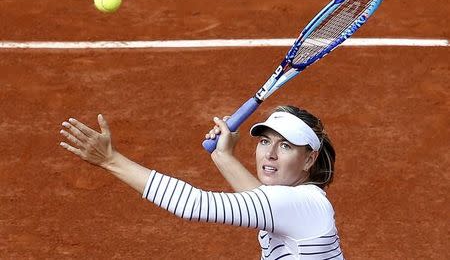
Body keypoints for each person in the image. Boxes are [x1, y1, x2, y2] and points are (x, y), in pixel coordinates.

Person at [59, 105, 344, 260]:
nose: (269, 153)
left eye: (285, 146)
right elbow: (261, 199)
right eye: (265, 141)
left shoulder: (298, 203)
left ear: (309, 160)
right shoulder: (300, 201)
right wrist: (223, 156)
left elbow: (194, 204)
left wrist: (110, 159)